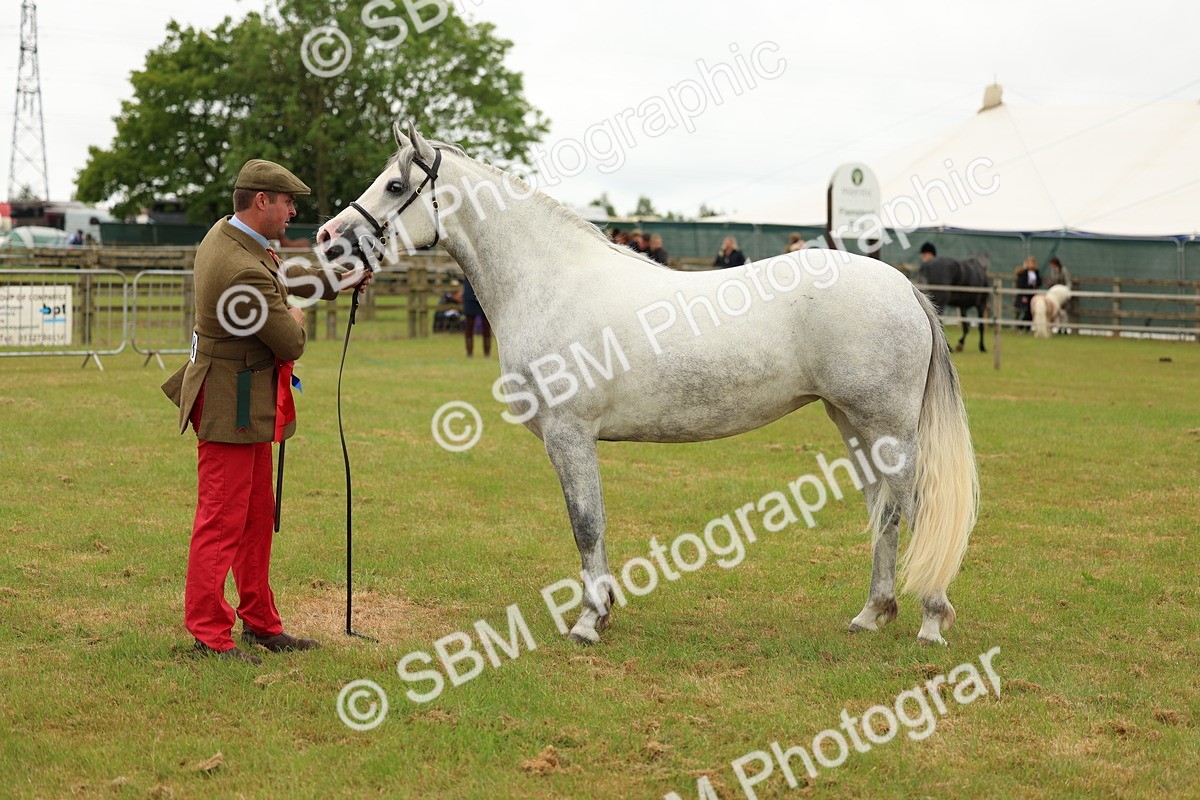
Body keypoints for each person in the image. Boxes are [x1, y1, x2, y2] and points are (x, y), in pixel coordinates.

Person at [161, 159, 371, 665]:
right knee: (221, 521)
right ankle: (210, 634)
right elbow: (290, 337)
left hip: (242, 399)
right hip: (231, 403)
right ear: (261, 201)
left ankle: (260, 622)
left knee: (255, 519)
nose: (293, 210)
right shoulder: (240, 266)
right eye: (286, 202)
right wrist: (299, 313)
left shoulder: (230, 238)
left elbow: (280, 284)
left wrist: (336, 279)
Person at [461, 275, 491, 357]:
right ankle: (469, 353)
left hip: (484, 296)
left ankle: (487, 353)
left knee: (486, 327)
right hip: (469, 296)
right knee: (469, 326)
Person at [1014, 256, 1042, 329]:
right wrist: (1024, 295)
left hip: (1032, 295)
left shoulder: (1036, 273)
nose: (1031, 265)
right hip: (1025, 295)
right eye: (1029, 263)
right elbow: (1020, 284)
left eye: (1032, 263)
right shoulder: (1023, 273)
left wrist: (1035, 284)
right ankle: (1020, 326)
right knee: (1025, 311)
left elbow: (1039, 282)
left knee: (1031, 311)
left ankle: (1028, 327)